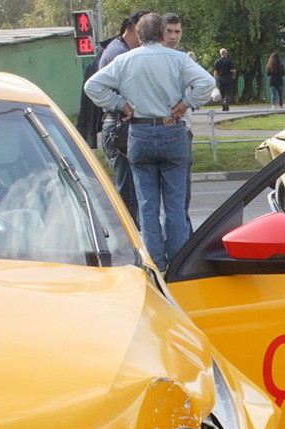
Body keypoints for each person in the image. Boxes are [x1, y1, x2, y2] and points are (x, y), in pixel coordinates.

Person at [85, 12, 215, 272]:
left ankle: (154, 261)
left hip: (140, 132)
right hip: (173, 131)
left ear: (140, 34)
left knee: (147, 203)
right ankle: (178, 262)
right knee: (175, 203)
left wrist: (120, 105)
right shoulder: (178, 59)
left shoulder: (125, 60)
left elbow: (93, 86)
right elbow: (207, 83)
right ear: (162, 34)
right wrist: (185, 104)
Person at [93, 9, 151, 226]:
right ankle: (130, 245)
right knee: (127, 194)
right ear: (134, 27)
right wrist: (124, 105)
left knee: (130, 191)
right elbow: (97, 87)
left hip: (117, 125)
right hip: (119, 126)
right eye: (146, 29)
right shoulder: (120, 53)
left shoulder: (119, 49)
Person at [163, 12, 194, 232]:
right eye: (169, 31)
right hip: (160, 128)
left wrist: (186, 103)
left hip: (183, 129)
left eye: (177, 32)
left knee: (182, 193)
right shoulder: (154, 59)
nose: (174, 36)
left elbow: (205, 85)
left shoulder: (184, 60)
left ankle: (181, 237)